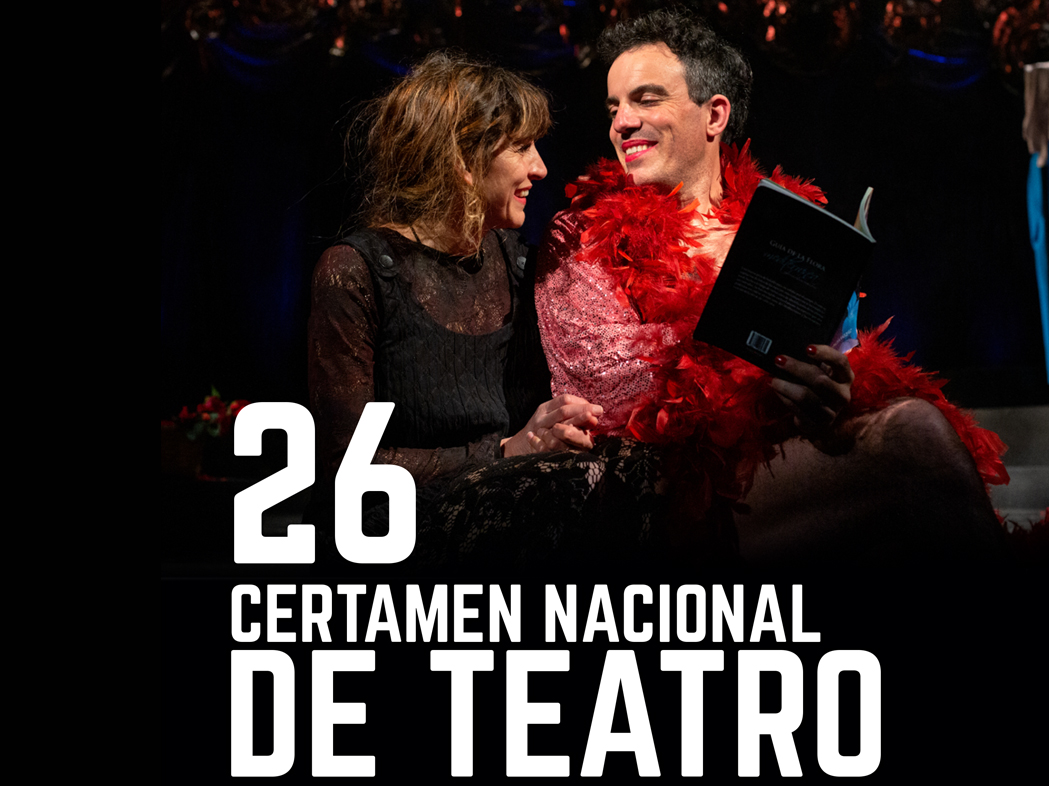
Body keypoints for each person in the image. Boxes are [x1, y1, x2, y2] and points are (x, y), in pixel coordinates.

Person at [535, 8, 1010, 562]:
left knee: (910, 461)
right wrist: (758, 377)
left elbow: (842, 354)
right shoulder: (580, 235)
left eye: (646, 99)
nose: (621, 122)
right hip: (668, 496)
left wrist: (829, 390)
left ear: (714, 115)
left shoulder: (785, 232)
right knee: (915, 437)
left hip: (788, 465)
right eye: (614, 107)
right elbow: (606, 391)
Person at [306, 52, 606, 556]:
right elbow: (349, 466)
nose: (540, 167)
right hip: (396, 545)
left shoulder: (522, 265)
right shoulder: (356, 272)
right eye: (521, 147)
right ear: (463, 161)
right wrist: (504, 453)